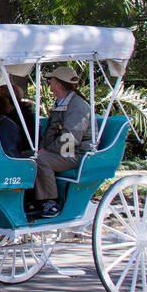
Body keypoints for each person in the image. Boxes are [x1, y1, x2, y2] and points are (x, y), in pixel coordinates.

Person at [33, 66, 93, 217]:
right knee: (28, 156)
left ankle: (51, 202)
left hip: (78, 153)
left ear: (58, 84)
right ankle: (32, 198)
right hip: (66, 150)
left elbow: (70, 139)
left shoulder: (77, 105)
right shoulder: (63, 102)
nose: (49, 83)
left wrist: (48, 150)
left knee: (41, 160)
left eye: (51, 80)